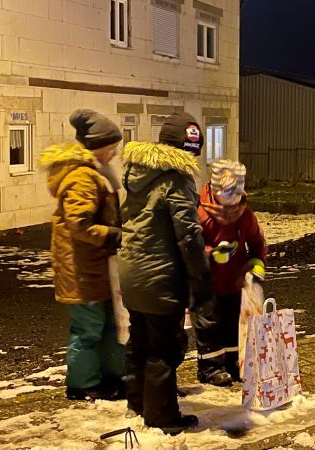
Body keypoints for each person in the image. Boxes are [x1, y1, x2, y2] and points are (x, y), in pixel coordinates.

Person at [118, 111, 213, 435]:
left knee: (140, 338)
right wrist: (201, 278)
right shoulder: (177, 179)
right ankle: (161, 416)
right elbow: (188, 234)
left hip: (132, 271)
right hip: (160, 275)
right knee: (165, 344)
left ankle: (138, 399)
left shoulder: (138, 174)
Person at [41, 109, 126, 401]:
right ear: (99, 146)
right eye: (112, 147)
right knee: (88, 329)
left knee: (106, 327)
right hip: (81, 269)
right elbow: (80, 224)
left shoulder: (94, 173)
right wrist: (113, 235)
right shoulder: (82, 177)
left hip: (93, 267)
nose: (115, 153)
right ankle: (83, 385)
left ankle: (108, 378)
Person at [196, 160, 267, 386]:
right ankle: (209, 368)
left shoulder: (245, 215)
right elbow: (190, 246)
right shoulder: (200, 213)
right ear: (215, 191)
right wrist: (210, 253)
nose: (231, 201)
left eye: (236, 194)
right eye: (226, 194)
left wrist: (257, 263)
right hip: (207, 282)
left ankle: (232, 362)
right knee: (209, 325)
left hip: (235, 282)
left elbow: (257, 241)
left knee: (233, 324)